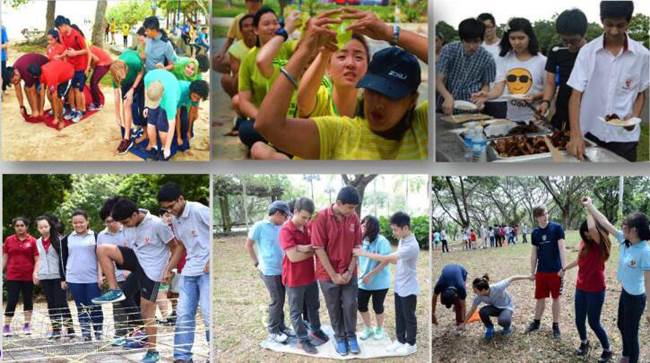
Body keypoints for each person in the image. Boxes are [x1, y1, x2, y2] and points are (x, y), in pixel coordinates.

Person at [254, 8, 429, 160]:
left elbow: (442, 59)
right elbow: (269, 124)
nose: (378, 103)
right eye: (374, 90)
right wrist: (306, 49)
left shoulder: (422, 125)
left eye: (391, 95)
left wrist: (389, 32)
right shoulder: (340, 132)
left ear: (412, 100)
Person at [92, 197, 179, 363]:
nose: (124, 226)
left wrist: (170, 270)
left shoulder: (157, 224)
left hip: (152, 271)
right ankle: (114, 291)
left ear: (134, 214)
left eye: (125, 222)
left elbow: (175, 247)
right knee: (102, 249)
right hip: (138, 261)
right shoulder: (127, 224)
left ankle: (152, 351)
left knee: (147, 312)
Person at [566, 1, 649, 162]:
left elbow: (640, 93)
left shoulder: (642, 55)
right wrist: (575, 135)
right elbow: (575, 96)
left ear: (629, 21)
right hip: (591, 132)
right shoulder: (587, 52)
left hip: (625, 137)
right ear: (601, 20)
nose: (614, 30)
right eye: (609, 24)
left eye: (620, 25)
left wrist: (634, 118)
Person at [582, 197, 650, 363]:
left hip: (636, 298)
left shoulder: (645, 252)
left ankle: (631, 358)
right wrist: (590, 206)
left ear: (634, 230)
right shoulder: (624, 240)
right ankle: (626, 355)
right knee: (621, 325)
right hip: (625, 291)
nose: (622, 227)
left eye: (625, 225)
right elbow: (604, 222)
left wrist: (649, 309)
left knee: (631, 333)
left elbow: (649, 283)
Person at [236, 6, 300, 159]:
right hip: (263, 121)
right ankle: (282, 145)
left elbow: (304, 44)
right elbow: (243, 101)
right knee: (245, 130)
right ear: (256, 30)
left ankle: (279, 145)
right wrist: (264, 120)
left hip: (291, 117)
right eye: (266, 24)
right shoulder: (249, 60)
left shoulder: (288, 48)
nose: (273, 27)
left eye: (276, 23)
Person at [156, 183, 211, 362]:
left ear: (181, 198)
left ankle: (213, 353)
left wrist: (212, 259)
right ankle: (182, 356)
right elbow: (180, 245)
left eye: (172, 206)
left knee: (208, 312)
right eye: (166, 209)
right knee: (183, 314)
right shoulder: (175, 219)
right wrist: (168, 268)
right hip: (189, 270)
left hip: (206, 271)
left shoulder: (199, 211)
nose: (170, 211)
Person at [354, 211, 419, 355]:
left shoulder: (412, 246)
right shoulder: (403, 240)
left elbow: (388, 258)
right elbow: (396, 261)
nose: (393, 232)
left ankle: (411, 344)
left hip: (409, 287)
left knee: (409, 316)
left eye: (395, 229)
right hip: (399, 285)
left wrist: (364, 253)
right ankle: (400, 340)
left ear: (405, 228)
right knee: (399, 315)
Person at [312, 186, 362, 356]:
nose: (352, 211)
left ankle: (351, 336)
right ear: (339, 203)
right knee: (333, 307)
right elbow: (318, 248)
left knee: (350, 304)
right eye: (349, 207)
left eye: (354, 208)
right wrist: (333, 275)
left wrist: (349, 271)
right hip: (327, 274)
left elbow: (357, 247)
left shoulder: (353, 217)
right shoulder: (320, 217)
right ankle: (340, 337)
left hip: (349, 272)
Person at [279, 197, 329, 354]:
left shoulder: (307, 227)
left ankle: (315, 330)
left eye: (308, 218)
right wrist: (311, 249)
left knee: (314, 306)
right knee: (296, 311)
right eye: (303, 217)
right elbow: (293, 257)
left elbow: (314, 244)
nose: (306, 221)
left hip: (310, 276)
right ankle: (302, 339)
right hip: (294, 279)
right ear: (295, 212)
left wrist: (303, 247)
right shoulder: (286, 230)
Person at [472, 17, 547, 123]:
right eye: (512, 38)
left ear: (529, 37)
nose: (516, 42)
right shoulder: (504, 59)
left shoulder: (542, 61)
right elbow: (498, 89)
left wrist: (535, 97)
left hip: (536, 119)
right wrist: (487, 95)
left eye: (521, 38)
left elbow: (551, 91)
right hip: (512, 119)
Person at [562, 214, 613, 362]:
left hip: (596, 289)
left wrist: (589, 209)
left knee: (593, 322)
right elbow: (579, 259)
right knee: (579, 319)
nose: (586, 234)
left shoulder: (600, 244)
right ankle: (584, 342)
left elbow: (592, 227)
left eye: (589, 232)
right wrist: (565, 268)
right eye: (584, 233)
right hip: (581, 287)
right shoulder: (584, 243)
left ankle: (607, 349)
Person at [245, 200, 293, 343]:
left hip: (282, 269)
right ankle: (273, 330)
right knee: (276, 300)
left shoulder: (282, 226)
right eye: (285, 216)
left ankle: (282, 327)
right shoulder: (259, 226)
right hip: (269, 270)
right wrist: (256, 262)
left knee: (281, 299)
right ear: (277, 213)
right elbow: (248, 245)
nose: (286, 219)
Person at [96, 200, 142, 347]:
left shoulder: (129, 227)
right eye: (107, 221)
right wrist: (101, 276)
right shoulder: (102, 236)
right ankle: (121, 335)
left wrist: (130, 270)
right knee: (119, 307)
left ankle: (139, 333)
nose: (111, 224)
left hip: (133, 273)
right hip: (115, 277)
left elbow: (135, 252)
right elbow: (100, 256)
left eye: (113, 220)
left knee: (137, 303)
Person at [537, 9, 588, 131]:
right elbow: (551, 82)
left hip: (585, 108)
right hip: (562, 107)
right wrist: (546, 102)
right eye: (565, 40)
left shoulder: (591, 52)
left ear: (584, 34)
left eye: (574, 41)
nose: (569, 45)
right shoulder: (556, 51)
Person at [296, 33, 369, 118]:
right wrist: (325, 53)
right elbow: (303, 104)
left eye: (358, 57)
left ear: (368, 67)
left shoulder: (369, 109)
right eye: (342, 57)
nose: (350, 63)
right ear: (328, 67)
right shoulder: (321, 99)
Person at [436, 18, 495, 115]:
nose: (471, 46)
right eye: (467, 42)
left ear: (482, 40)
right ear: (461, 39)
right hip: (447, 105)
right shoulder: (449, 50)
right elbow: (438, 80)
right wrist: (447, 96)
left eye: (476, 41)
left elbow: (486, 84)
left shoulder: (488, 58)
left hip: (472, 106)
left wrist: (482, 98)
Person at [60, 210, 104, 341]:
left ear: (87, 221)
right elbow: (62, 260)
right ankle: (85, 333)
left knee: (95, 305)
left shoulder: (96, 236)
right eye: (75, 222)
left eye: (81, 222)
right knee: (81, 306)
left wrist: (100, 276)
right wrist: (63, 278)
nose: (78, 225)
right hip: (74, 278)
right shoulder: (67, 239)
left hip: (92, 278)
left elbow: (101, 258)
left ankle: (98, 331)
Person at [525, 205, 566, 338]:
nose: (546, 216)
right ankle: (536, 322)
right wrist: (532, 272)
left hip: (555, 271)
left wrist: (563, 267)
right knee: (540, 298)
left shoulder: (557, 228)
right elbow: (533, 254)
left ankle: (555, 326)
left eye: (547, 213)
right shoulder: (535, 233)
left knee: (556, 298)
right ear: (537, 217)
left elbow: (562, 249)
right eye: (542, 215)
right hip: (541, 271)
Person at [34, 216, 75, 340]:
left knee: (61, 303)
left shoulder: (59, 240)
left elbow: (64, 260)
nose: (43, 229)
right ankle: (56, 330)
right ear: (38, 228)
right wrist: (36, 273)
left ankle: (70, 329)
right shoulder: (37, 242)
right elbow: (39, 259)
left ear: (50, 226)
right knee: (51, 304)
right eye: (40, 227)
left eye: (45, 226)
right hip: (45, 277)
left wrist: (65, 277)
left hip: (58, 277)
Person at [355, 216, 391, 341]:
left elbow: (385, 261)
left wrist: (370, 275)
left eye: (365, 226)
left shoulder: (382, 241)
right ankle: (368, 328)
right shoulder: (361, 240)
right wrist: (361, 272)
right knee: (361, 305)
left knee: (378, 306)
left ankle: (379, 328)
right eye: (362, 224)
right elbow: (358, 259)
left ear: (373, 228)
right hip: (363, 281)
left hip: (380, 282)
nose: (362, 227)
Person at [465, 274, 532, 340]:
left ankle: (507, 328)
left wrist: (528, 277)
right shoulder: (479, 297)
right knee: (482, 312)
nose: (474, 292)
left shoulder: (498, 287)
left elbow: (512, 278)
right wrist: (463, 323)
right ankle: (489, 327)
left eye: (475, 291)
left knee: (503, 320)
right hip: (495, 308)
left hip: (506, 307)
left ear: (483, 290)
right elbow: (472, 310)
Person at [2, 217, 38, 337]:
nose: (20, 228)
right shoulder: (9, 240)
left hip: (28, 276)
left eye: (22, 225)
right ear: (14, 227)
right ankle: (6, 326)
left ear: (26, 227)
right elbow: (5, 257)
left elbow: (37, 258)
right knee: (12, 300)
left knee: (28, 300)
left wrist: (35, 272)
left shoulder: (33, 241)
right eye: (17, 226)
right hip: (13, 276)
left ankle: (27, 325)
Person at [110, 49, 145, 154]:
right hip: (127, 83)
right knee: (126, 103)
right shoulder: (115, 74)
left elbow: (141, 72)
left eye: (122, 75)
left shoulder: (134, 62)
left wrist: (133, 89)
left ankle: (143, 128)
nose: (121, 77)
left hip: (138, 78)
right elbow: (116, 94)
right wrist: (117, 115)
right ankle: (127, 138)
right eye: (119, 77)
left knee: (141, 106)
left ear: (125, 68)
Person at [55, 15, 89, 123]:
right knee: (71, 89)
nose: (59, 31)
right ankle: (73, 110)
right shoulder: (63, 35)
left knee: (77, 90)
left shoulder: (76, 35)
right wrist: (60, 57)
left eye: (59, 28)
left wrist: (75, 53)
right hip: (71, 66)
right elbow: (67, 49)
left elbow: (86, 50)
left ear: (64, 25)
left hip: (80, 66)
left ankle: (80, 112)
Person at [214, 0, 263, 72]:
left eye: (256, 1)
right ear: (246, 3)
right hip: (241, 55)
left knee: (280, 63)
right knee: (216, 62)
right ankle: (238, 75)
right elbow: (229, 41)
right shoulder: (238, 19)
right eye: (250, 1)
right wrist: (222, 52)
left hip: (262, 54)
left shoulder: (266, 18)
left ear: (261, 3)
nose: (253, 4)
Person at [477, 13, 506, 118]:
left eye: (489, 27)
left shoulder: (506, 46)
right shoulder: (478, 48)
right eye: (483, 28)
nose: (486, 30)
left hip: (503, 99)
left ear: (495, 26)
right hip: (482, 98)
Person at [221, 14, 256, 100]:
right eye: (246, 26)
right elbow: (238, 75)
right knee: (226, 78)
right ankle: (239, 99)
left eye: (253, 25)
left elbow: (279, 62)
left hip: (266, 77)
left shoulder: (266, 43)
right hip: (246, 80)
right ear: (241, 31)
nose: (250, 28)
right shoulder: (234, 49)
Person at [4, 53, 49, 120]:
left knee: (34, 89)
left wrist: (38, 111)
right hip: (33, 69)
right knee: (26, 88)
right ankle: (35, 110)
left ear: (16, 73)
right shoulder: (13, 71)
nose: (15, 82)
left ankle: (36, 111)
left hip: (45, 68)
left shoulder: (26, 72)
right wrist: (21, 106)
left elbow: (32, 91)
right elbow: (18, 90)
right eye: (13, 82)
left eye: (15, 80)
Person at [38, 59, 75, 129]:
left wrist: (56, 118)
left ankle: (61, 120)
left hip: (68, 74)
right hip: (58, 76)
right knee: (49, 94)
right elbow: (42, 92)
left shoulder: (49, 75)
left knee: (58, 99)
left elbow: (55, 96)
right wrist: (41, 110)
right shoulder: (41, 73)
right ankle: (56, 113)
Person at [432, 264, 468, 332]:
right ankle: (453, 302)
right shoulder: (440, 285)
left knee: (459, 305)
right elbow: (434, 298)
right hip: (447, 269)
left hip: (461, 270)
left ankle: (459, 321)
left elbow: (463, 306)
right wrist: (432, 314)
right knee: (443, 301)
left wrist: (463, 322)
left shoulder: (461, 288)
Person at [88, 45, 113, 111]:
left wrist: (90, 67)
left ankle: (97, 104)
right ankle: (97, 100)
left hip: (104, 64)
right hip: (105, 62)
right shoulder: (88, 46)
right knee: (94, 83)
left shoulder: (86, 49)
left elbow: (96, 59)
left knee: (93, 83)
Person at [2, 24, 8, 93]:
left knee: (3, 73)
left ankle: (4, 88)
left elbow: (6, 44)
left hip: (2, 57)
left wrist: (6, 54)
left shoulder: (2, 29)